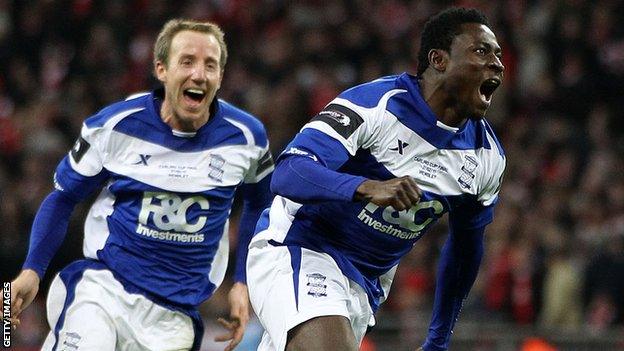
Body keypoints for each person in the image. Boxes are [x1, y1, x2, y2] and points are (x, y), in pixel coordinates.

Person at [246, 7, 505, 351]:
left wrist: (438, 340)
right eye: (481, 51)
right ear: (438, 60)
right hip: (299, 245)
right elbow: (289, 172)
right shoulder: (375, 105)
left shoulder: (486, 157)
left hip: (366, 283)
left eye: (499, 55)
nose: (497, 64)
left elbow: (465, 249)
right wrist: (365, 187)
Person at [10, 19, 274, 351]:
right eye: (187, 61)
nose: (199, 74)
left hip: (173, 318)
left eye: (211, 65)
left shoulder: (247, 138)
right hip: (103, 291)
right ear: (162, 70)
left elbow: (259, 203)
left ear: (220, 76)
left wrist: (242, 282)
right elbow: (63, 198)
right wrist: (32, 270)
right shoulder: (115, 127)